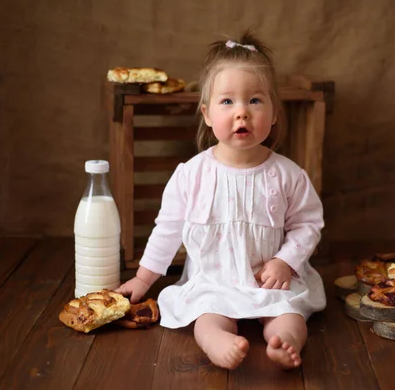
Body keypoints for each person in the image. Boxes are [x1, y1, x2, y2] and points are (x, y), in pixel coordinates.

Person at [115, 30, 326, 370]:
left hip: (269, 279)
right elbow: (167, 230)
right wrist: (142, 279)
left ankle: (284, 342)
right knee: (206, 317)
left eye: (255, 100)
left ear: (273, 113)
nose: (241, 112)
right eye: (227, 102)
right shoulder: (192, 174)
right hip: (214, 279)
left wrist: (286, 261)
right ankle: (218, 342)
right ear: (207, 114)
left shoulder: (288, 174)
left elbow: (307, 224)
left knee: (289, 313)